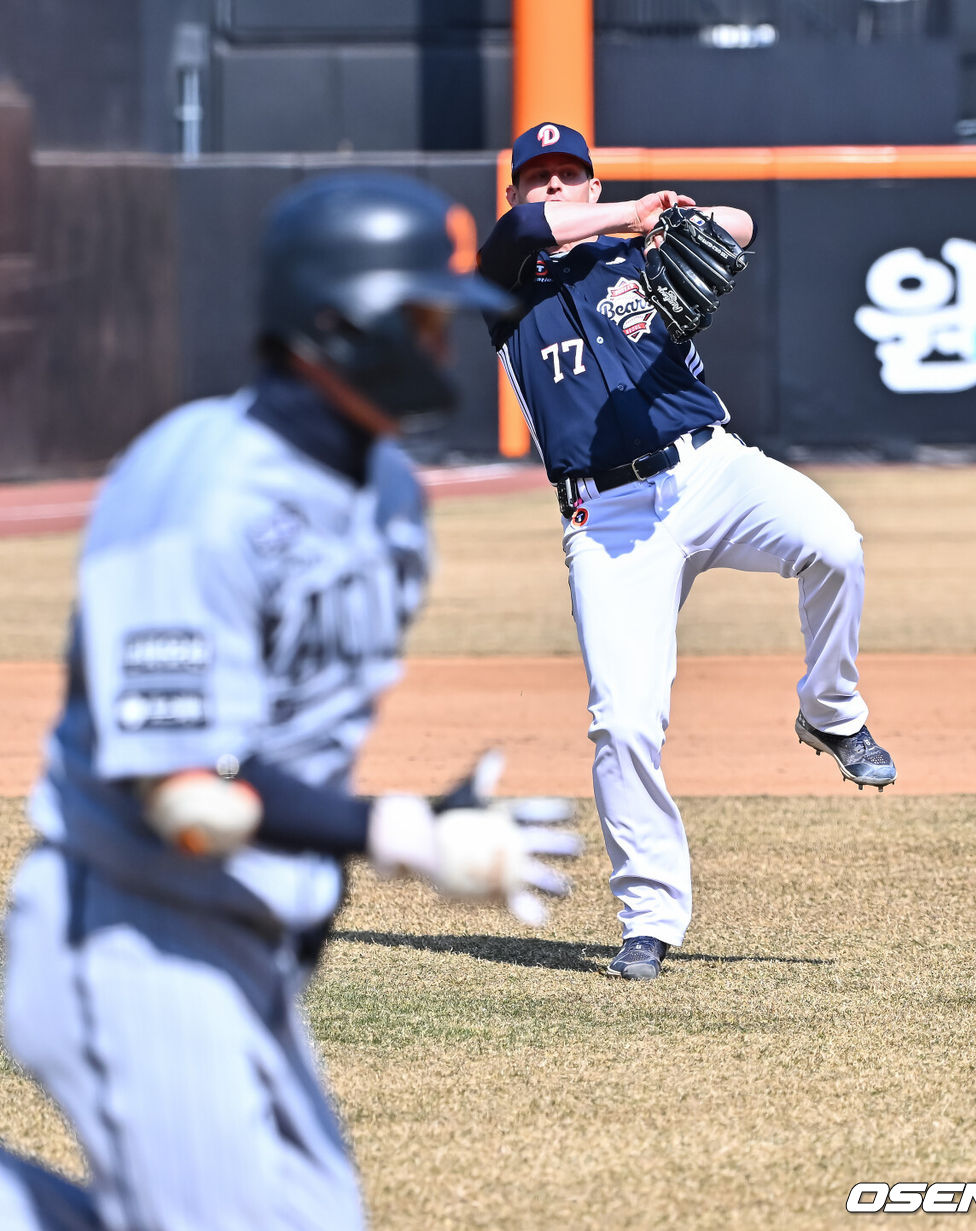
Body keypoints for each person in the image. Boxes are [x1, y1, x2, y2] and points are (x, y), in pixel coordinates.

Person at [0, 172, 580, 1230]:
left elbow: (291, 745)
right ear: (338, 325)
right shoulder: (199, 491)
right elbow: (187, 792)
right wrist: (400, 830)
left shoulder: (388, 493)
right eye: (422, 317)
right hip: (132, 931)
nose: (444, 343)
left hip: (244, 942)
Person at [477, 122, 896, 982]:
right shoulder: (501, 283)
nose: (552, 187)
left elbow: (739, 225)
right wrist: (631, 212)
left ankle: (831, 711)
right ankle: (649, 921)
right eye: (538, 177)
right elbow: (524, 235)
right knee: (623, 722)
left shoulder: (636, 259)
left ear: (590, 186)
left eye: (568, 175)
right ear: (516, 193)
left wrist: (668, 221)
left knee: (836, 545)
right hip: (606, 516)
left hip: (711, 471)